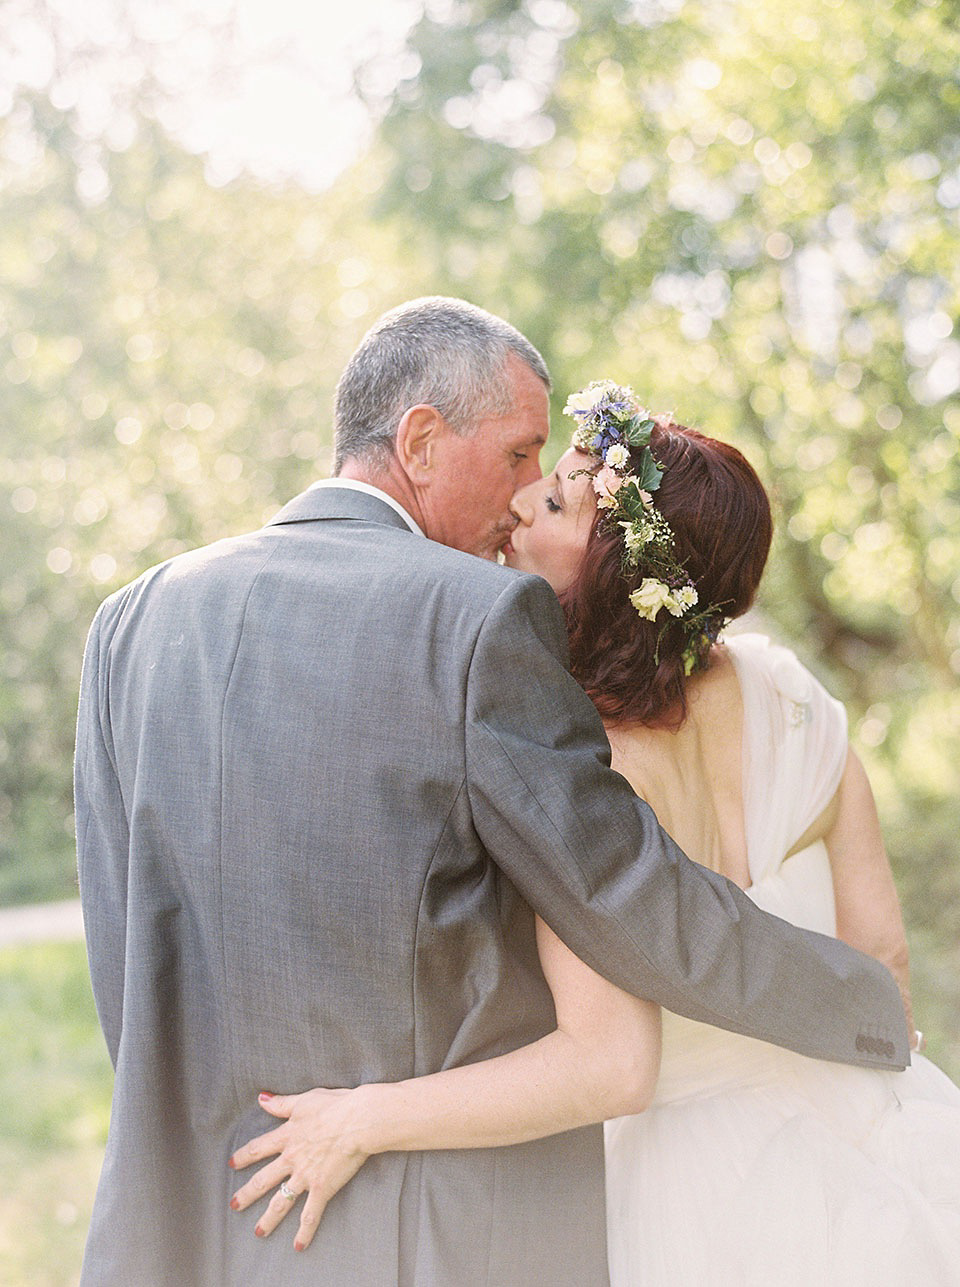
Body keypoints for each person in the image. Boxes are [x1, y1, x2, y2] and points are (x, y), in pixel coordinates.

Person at [76, 304, 908, 1287]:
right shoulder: (479, 620)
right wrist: (868, 1005)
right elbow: (637, 900)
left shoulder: (128, 622)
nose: (523, 497)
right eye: (518, 454)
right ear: (421, 440)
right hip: (441, 1243)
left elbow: (126, 948)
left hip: (205, 1221)